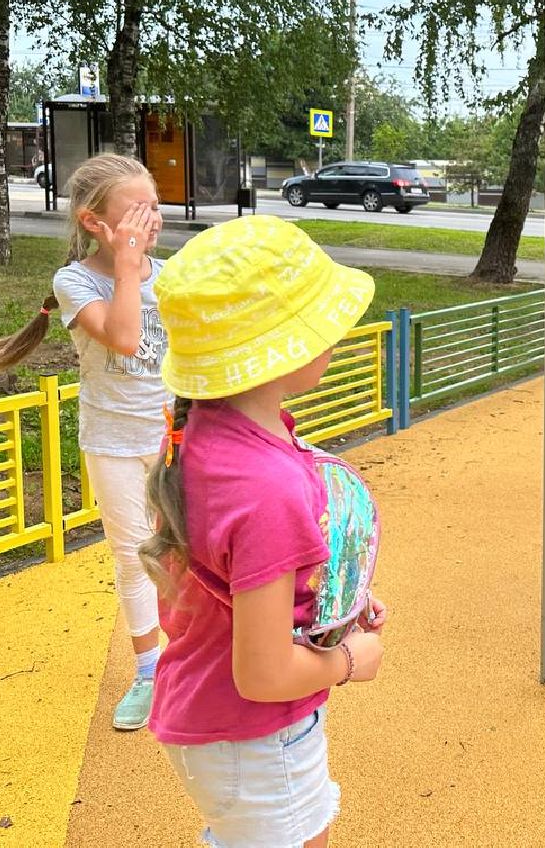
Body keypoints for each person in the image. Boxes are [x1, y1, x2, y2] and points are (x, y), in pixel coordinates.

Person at [140, 215, 385, 848]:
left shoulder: (214, 432)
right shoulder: (265, 486)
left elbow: (237, 569)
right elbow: (266, 674)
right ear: (283, 348)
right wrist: (349, 659)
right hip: (255, 733)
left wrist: (330, 603)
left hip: (220, 719)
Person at [0, 154, 168, 730]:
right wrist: (130, 267)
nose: (151, 220)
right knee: (135, 556)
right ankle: (149, 671)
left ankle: (193, 658)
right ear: (93, 222)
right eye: (136, 211)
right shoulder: (74, 281)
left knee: (187, 549)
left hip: (171, 433)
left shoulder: (172, 274)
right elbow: (127, 340)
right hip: (112, 440)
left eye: (153, 207)